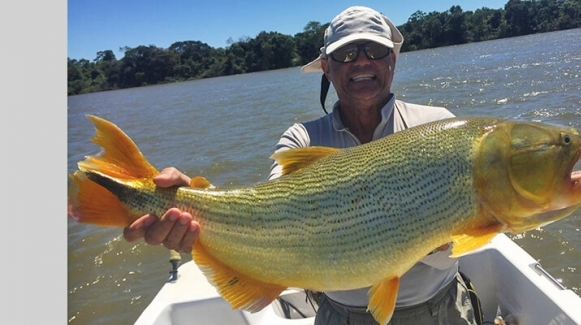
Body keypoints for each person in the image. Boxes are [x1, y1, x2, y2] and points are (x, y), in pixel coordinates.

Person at [123, 6, 483, 325]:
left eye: (374, 50)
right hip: (340, 316)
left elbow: (476, 231)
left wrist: (440, 235)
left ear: (392, 59)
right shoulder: (301, 139)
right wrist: (192, 204)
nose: (361, 62)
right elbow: (270, 210)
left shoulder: (439, 127)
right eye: (345, 54)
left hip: (442, 311)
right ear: (326, 67)